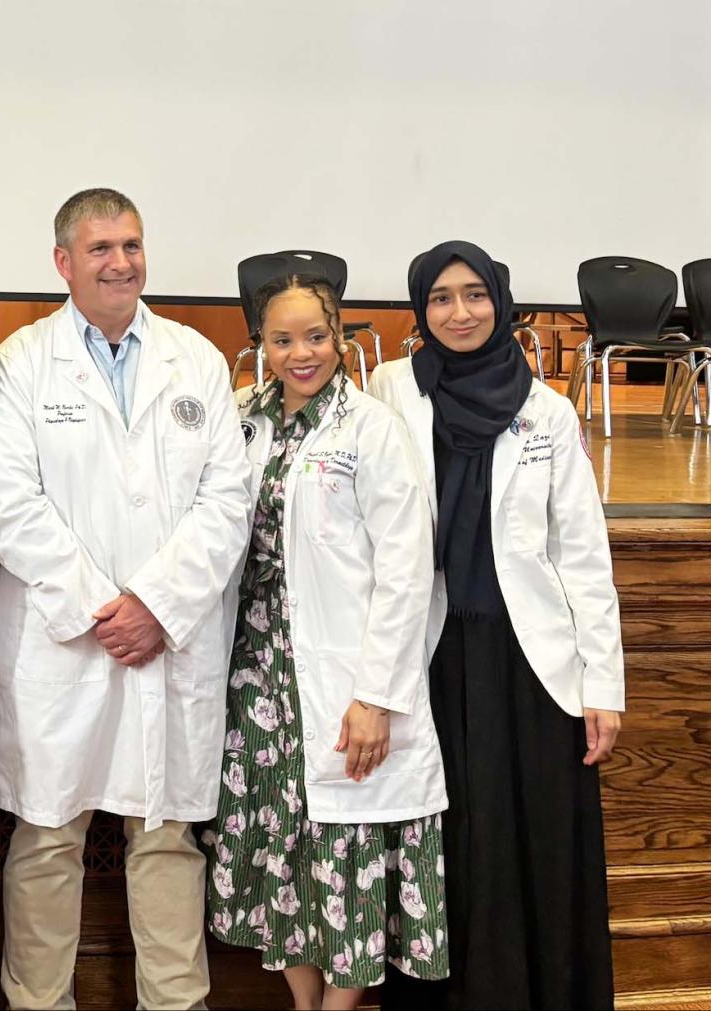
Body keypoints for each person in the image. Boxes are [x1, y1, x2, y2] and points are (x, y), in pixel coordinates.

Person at [0, 188, 252, 1010]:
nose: (120, 262)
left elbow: (227, 499)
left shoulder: (196, 359)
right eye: (100, 248)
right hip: (65, 642)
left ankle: (177, 1004)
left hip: (166, 641)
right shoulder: (21, 362)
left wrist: (158, 606)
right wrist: (106, 606)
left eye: (131, 245)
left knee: (168, 839)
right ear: (63, 262)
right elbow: (10, 502)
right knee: (46, 840)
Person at [371, 240, 623, 1010]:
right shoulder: (388, 390)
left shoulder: (546, 407)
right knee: (435, 847)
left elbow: (580, 553)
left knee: (531, 838)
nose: (459, 312)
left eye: (475, 294)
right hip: (430, 649)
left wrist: (602, 683)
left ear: (500, 300)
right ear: (420, 310)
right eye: (441, 297)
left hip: (531, 662)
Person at [206, 273, 449, 1010]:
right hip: (257, 677)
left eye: (316, 335)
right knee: (280, 854)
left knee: (347, 856)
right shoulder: (244, 420)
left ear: (340, 337)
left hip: (345, 675)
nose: (301, 353)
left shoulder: (371, 428)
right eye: (282, 339)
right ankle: (304, 1004)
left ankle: (340, 1009)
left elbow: (408, 570)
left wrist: (377, 695)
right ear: (261, 346)